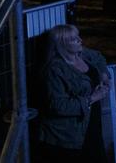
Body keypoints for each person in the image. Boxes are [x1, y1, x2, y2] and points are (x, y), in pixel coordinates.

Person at [38, 24, 109, 163]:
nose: (80, 40)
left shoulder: (82, 54)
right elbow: (58, 105)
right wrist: (92, 98)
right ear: (62, 44)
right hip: (68, 134)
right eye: (73, 39)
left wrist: (104, 75)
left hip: (90, 124)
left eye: (78, 36)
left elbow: (99, 58)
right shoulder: (55, 70)